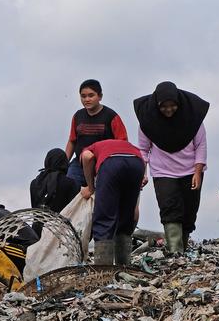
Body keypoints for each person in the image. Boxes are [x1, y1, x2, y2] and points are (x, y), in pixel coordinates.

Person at [134, 81, 209, 253]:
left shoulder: (193, 117)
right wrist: (142, 172)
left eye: (172, 106)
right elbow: (143, 149)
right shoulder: (148, 120)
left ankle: (182, 245)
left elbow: (201, 146)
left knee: (189, 211)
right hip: (163, 171)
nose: (168, 110)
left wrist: (197, 172)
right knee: (169, 208)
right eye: (164, 107)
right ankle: (175, 251)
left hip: (191, 170)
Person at [80, 139, 145, 265]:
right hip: (137, 163)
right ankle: (124, 265)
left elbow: (87, 157)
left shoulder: (90, 147)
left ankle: (103, 269)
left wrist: (91, 187)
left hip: (112, 163)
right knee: (126, 217)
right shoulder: (119, 144)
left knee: (104, 218)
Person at [64, 79, 128, 186]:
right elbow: (72, 141)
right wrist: (64, 164)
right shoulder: (78, 116)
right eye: (83, 96)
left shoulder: (111, 117)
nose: (87, 99)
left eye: (91, 95)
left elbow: (123, 143)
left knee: (103, 195)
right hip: (79, 165)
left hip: (104, 164)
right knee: (69, 185)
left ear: (100, 96)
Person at [30, 148, 80, 212]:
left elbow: (35, 209)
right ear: (64, 162)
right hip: (61, 221)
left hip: (40, 221)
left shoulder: (34, 183)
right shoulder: (70, 183)